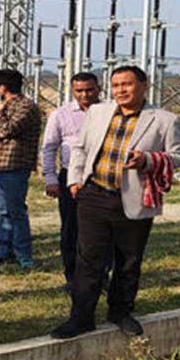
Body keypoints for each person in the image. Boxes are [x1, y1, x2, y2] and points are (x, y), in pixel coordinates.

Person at [51, 65, 180, 339]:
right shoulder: (98, 112)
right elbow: (81, 147)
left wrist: (148, 160)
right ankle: (81, 317)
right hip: (94, 195)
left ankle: (120, 311)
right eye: (115, 85)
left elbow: (178, 156)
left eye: (127, 84)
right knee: (88, 259)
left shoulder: (164, 119)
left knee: (128, 259)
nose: (121, 90)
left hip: (135, 199)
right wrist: (75, 181)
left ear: (144, 85)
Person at [40, 72, 102, 289]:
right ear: (72, 90)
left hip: (102, 177)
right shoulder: (60, 115)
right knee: (71, 228)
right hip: (71, 176)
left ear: (99, 89)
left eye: (90, 89)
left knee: (102, 229)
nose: (85, 94)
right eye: (79, 90)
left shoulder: (109, 112)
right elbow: (49, 148)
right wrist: (50, 178)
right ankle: (73, 276)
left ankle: (100, 275)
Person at [0, 68, 43, 269]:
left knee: (16, 211)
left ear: (2, 87)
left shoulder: (26, 106)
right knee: (2, 210)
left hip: (15, 163)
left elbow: (7, 130)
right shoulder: (1, 106)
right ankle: (4, 249)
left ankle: (23, 253)